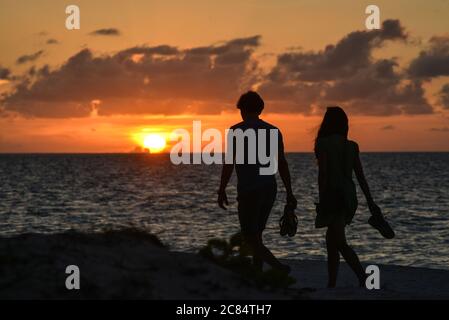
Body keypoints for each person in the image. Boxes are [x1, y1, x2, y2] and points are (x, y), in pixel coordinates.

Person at [217, 91, 297, 273]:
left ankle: (278, 267)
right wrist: (289, 192)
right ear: (260, 109)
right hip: (269, 188)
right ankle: (257, 275)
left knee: (250, 237)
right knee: (257, 236)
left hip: (249, 190)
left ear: (243, 109)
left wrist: (221, 188)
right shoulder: (274, 131)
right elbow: (282, 163)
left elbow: (229, 162)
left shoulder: (236, 130)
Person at [315, 106, 394, 288]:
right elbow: (360, 176)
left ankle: (363, 278)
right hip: (349, 196)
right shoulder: (352, 146)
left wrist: (322, 198)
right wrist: (370, 201)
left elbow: (324, 174)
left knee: (340, 242)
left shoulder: (323, 144)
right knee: (331, 241)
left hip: (332, 196)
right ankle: (332, 284)